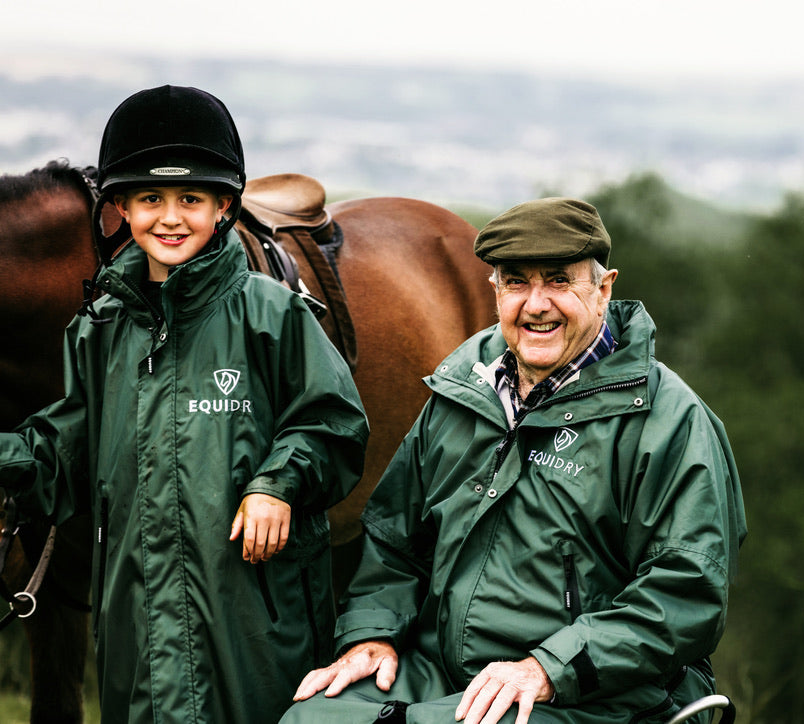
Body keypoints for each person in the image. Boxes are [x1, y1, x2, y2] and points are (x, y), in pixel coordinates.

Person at [282, 197, 746, 724]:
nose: (537, 304)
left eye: (559, 281)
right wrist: (372, 635)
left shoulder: (669, 422)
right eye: (517, 282)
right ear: (495, 291)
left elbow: (686, 592)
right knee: (310, 718)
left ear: (604, 288)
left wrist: (547, 668)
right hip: (443, 669)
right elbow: (394, 543)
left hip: (597, 690)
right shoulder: (460, 393)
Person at [0, 85, 369, 723]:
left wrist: (277, 485)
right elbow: (61, 450)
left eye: (190, 199)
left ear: (224, 205)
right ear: (119, 208)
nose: (170, 218)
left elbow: (333, 424)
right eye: (150, 199)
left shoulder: (273, 313)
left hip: (253, 632)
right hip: (136, 645)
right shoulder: (98, 329)